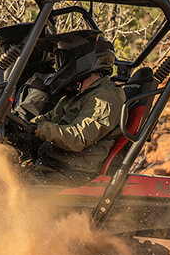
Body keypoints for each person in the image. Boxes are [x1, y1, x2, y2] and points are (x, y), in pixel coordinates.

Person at [26, 30, 125, 179]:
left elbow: (78, 138)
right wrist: (21, 126)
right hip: (54, 165)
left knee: (7, 189)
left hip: (74, 173)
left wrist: (41, 129)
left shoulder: (105, 97)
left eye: (62, 60)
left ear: (82, 60)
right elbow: (47, 119)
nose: (58, 68)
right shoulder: (77, 95)